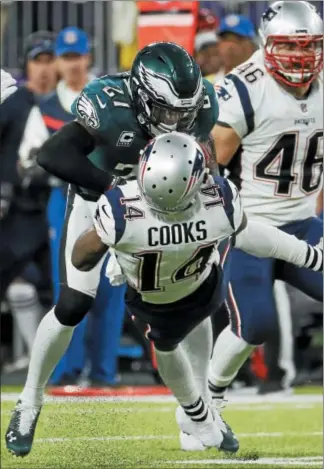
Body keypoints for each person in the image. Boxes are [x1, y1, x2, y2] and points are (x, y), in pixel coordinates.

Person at [5, 41, 219, 458]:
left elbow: (204, 158)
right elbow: (52, 154)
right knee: (72, 304)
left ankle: (202, 412)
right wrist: (118, 194)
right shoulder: (109, 102)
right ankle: (29, 401)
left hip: (163, 213)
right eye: (166, 111)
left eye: (184, 113)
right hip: (97, 201)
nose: (176, 122)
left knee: (190, 298)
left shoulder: (202, 105)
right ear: (140, 96)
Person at [71, 132, 322, 452]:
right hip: (204, 285)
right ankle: (200, 414)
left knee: (167, 347)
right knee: (190, 334)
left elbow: (80, 260)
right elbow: (248, 234)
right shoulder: (219, 202)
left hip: (153, 300)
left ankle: (198, 411)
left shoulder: (120, 211)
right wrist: (308, 255)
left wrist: (108, 241)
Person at [208, 0, 323, 406]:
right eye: (290, 47)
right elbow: (209, 166)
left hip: (303, 223)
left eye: (309, 46)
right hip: (250, 228)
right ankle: (208, 401)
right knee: (254, 323)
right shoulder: (244, 87)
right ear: (267, 44)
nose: (300, 56)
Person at [0, 32, 57, 370]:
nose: (45, 69)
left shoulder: (71, 103)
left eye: (51, 60)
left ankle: (49, 364)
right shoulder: (15, 102)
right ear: (27, 65)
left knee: (63, 293)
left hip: (59, 207)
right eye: (39, 60)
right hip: (17, 211)